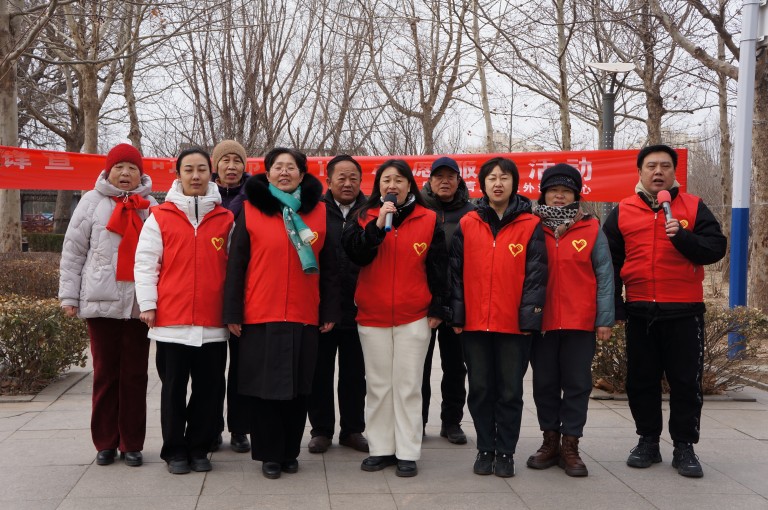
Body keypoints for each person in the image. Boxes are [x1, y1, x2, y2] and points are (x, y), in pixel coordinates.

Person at [603, 144, 726, 478]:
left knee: (685, 382)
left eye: (665, 166)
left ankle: (684, 446)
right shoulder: (622, 210)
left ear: (674, 172)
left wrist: (684, 238)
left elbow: (716, 248)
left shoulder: (694, 206)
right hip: (640, 310)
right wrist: (615, 306)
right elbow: (609, 264)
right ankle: (648, 441)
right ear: (640, 171)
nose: (658, 172)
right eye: (651, 166)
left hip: (684, 311)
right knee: (641, 381)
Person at [223, 147, 339, 480]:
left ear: (302, 175)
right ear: (268, 173)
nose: (284, 172)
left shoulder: (320, 212)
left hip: (304, 313)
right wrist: (233, 311)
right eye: (278, 167)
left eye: (291, 167)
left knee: (299, 387)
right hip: (260, 313)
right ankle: (269, 454)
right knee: (264, 389)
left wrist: (329, 309)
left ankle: (289, 452)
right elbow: (236, 265)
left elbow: (331, 267)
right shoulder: (250, 210)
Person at [342, 159, 450, 478]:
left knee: (408, 386)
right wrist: (377, 226)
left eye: (399, 179)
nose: (393, 185)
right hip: (372, 315)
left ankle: (407, 451)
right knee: (378, 386)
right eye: (386, 179)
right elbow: (356, 255)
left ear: (409, 185)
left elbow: (439, 267)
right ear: (378, 185)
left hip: (414, 316)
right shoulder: (363, 216)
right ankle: (380, 448)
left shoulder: (428, 218)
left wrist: (437, 308)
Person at [134, 147, 234, 475]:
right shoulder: (161, 216)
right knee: (173, 390)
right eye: (188, 169)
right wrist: (148, 304)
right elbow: (146, 262)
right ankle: (175, 450)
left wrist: (233, 312)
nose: (195, 176)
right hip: (171, 323)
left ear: (211, 173)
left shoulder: (225, 219)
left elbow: (236, 269)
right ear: (178, 175)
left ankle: (199, 447)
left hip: (213, 323)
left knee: (209, 390)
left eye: (201, 169)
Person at [59, 143, 156, 468]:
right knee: (104, 374)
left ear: (140, 174)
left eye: (132, 168)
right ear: (108, 171)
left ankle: (132, 443)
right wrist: (69, 297)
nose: (125, 173)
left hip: (138, 307)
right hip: (100, 303)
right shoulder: (91, 202)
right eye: (119, 167)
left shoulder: (151, 206)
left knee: (135, 376)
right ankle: (105, 442)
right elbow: (73, 252)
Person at [449, 157, 547, 478]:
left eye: (504, 177)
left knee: (510, 391)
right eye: (491, 178)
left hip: (513, 326)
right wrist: (458, 315)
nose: (498, 183)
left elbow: (536, 277)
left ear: (514, 183)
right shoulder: (468, 222)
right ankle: (485, 448)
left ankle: (505, 452)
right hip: (475, 324)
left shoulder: (530, 224)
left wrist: (529, 319)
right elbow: (455, 274)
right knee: (479, 389)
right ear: (483, 184)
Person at [527, 163, 614, 477]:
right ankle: (549, 441)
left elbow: (605, 275)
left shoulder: (591, 228)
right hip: (542, 322)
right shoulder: (531, 227)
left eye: (566, 191)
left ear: (576, 195)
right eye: (553, 190)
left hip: (580, 322)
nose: (559, 195)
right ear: (544, 194)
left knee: (577, 385)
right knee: (544, 384)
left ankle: (570, 445)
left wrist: (604, 318)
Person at [307, 155, 369, 454]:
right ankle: (321, 430)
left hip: (361, 308)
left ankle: (352, 430)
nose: (347, 183)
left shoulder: (371, 212)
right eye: (341, 178)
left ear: (361, 181)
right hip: (322, 307)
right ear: (328, 181)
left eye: (353, 178)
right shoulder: (313, 211)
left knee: (355, 375)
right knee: (319, 372)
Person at [420, 156, 474, 444]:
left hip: (457, 300)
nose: (444, 181)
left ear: (458, 180)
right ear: (430, 181)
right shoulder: (418, 208)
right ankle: (417, 422)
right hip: (423, 301)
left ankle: (451, 422)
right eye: (438, 176)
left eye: (450, 176)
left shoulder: (472, 213)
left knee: (455, 366)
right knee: (419, 366)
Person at [210, 139, 251, 454]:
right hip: (209, 291)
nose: (232, 166)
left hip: (243, 292)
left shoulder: (255, 198)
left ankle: (240, 428)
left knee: (241, 366)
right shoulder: (203, 196)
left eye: (237, 161)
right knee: (210, 368)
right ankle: (210, 428)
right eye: (226, 160)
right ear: (216, 165)